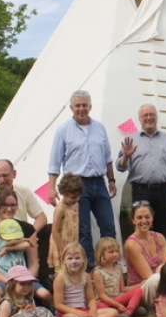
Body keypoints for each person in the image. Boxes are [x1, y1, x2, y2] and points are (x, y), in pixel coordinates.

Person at [48, 90, 117, 269]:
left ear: (90, 107)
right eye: (77, 105)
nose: (81, 109)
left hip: (99, 181)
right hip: (78, 184)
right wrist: (51, 187)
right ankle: (89, 268)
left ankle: (110, 264)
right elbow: (54, 162)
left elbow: (108, 157)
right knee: (83, 230)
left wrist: (111, 180)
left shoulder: (100, 128)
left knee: (108, 226)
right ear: (71, 108)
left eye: (84, 105)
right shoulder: (63, 130)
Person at [115, 103, 166, 234]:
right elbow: (119, 167)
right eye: (145, 115)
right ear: (140, 119)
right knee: (141, 225)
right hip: (140, 189)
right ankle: (140, 253)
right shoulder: (131, 139)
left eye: (151, 114)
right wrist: (126, 156)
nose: (148, 118)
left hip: (162, 190)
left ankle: (159, 253)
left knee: (160, 226)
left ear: (156, 117)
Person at [0, 189, 51, 317]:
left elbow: (34, 262)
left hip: (25, 277)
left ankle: (49, 315)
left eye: (12, 205)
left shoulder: (27, 228)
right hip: (1, 278)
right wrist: (9, 282)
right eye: (4, 205)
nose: (9, 209)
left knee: (44, 295)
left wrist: (26, 281)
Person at [53, 243, 131, 317]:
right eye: (70, 258)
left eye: (77, 258)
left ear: (84, 260)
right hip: (67, 314)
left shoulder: (85, 276)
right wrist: (76, 312)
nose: (74, 261)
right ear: (63, 261)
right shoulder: (61, 278)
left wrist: (93, 311)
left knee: (113, 313)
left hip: (84, 311)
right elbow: (58, 305)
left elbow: (91, 299)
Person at [0, 159, 48, 232]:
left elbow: (41, 217)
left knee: (48, 229)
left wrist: (31, 235)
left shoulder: (23, 190)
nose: (2, 180)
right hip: (1, 239)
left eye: (5, 175)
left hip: (24, 235)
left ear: (14, 174)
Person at [92, 237, 146, 317]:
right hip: (105, 302)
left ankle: (127, 312)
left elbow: (122, 289)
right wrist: (117, 304)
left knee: (138, 290)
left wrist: (139, 285)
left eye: (116, 251)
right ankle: (127, 310)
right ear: (101, 254)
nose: (115, 254)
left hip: (117, 298)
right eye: (111, 252)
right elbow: (102, 296)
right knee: (99, 305)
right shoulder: (97, 272)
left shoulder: (118, 268)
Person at [124, 203, 166, 287]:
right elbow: (149, 277)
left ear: (152, 218)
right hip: (143, 287)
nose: (144, 221)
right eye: (139, 218)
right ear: (133, 220)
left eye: (147, 217)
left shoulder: (160, 237)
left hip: (163, 282)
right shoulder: (131, 244)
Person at [48, 173, 83, 271]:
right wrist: (64, 250)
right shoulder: (60, 209)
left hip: (72, 242)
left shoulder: (76, 205)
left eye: (77, 197)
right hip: (62, 244)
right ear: (64, 193)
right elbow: (55, 231)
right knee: (63, 271)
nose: (75, 200)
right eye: (72, 197)